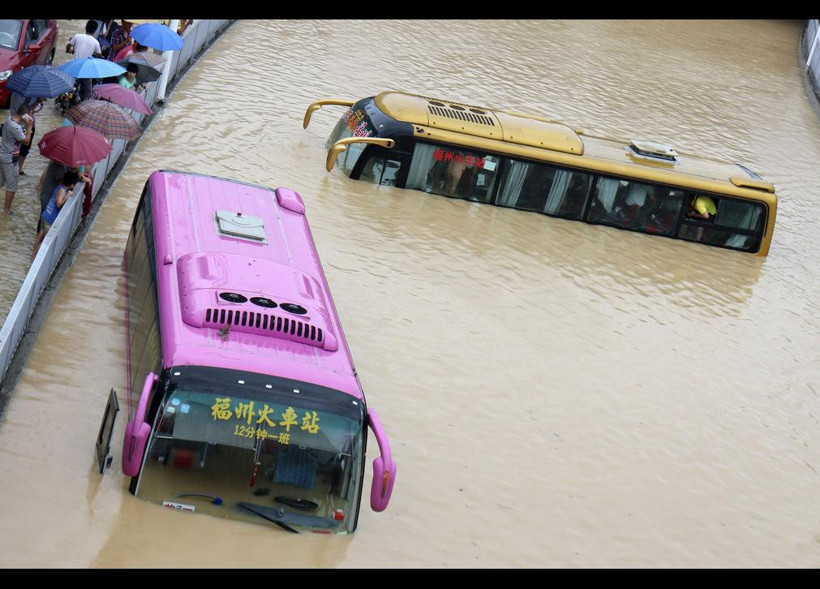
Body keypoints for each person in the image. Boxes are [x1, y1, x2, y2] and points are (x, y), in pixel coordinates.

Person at [32, 170, 80, 260]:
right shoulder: (63, 191)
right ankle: (36, 260)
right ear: (72, 185)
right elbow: (59, 204)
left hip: (45, 214)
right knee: (44, 241)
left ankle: (32, 257)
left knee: (39, 237)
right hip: (50, 219)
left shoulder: (59, 186)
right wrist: (68, 196)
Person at [1, 101, 34, 215]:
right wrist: (29, 127)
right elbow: (26, 142)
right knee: (12, 186)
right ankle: (6, 211)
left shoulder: (9, 119)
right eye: (31, 115)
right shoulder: (16, 127)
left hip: (2, 154)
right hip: (10, 158)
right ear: (25, 115)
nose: (31, 118)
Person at [66, 21, 103, 101]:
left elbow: (68, 45)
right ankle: (84, 103)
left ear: (86, 27)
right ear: (95, 30)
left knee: (67, 87)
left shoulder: (77, 36)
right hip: (86, 70)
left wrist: (69, 50)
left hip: (75, 66)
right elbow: (99, 55)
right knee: (88, 93)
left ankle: (66, 97)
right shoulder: (96, 42)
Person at [9, 94, 44, 177]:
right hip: (19, 124)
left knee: (25, 149)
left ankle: (19, 169)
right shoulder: (17, 94)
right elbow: (23, 111)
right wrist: (37, 102)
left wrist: (40, 103)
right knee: (14, 148)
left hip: (30, 123)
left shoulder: (35, 92)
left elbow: (34, 111)